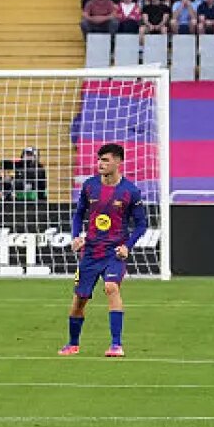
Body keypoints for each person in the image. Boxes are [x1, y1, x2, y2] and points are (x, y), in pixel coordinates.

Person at [62, 143, 149, 358]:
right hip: (91, 252)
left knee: (111, 287)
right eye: (99, 159)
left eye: (106, 160)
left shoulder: (130, 191)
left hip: (114, 252)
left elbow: (141, 225)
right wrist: (76, 237)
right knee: (80, 300)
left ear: (118, 162)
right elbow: (79, 213)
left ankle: (116, 345)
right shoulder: (90, 186)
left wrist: (127, 247)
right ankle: (73, 344)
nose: (100, 164)